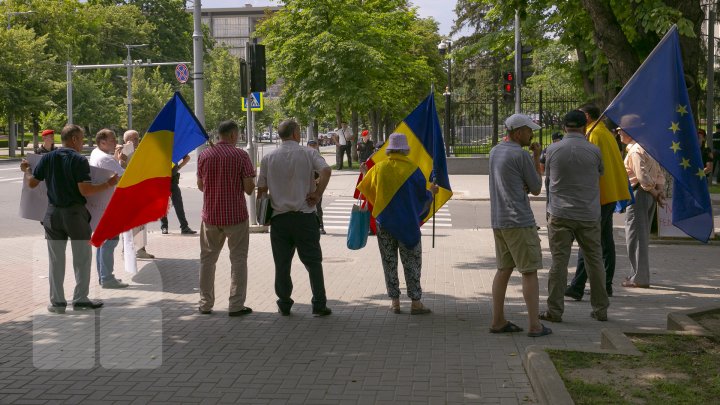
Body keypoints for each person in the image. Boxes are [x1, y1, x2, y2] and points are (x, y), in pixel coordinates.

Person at [20, 124, 118, 313]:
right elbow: (85, 190)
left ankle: (57, 302)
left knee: (56, 260)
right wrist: (108, 183)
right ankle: (80, 299)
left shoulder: (47, 158)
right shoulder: (78, 160)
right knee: (81, 257)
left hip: (52, 214)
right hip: (74, 214)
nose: (82, 143)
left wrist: (26, 170)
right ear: (73, 139)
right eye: (81, 139)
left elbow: (32, 183)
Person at [257, 119, 332, 316]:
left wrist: (263, 214)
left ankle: (284, 303)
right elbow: (326, 170)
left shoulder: (268, 158)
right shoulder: (308, 153)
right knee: (313, 262)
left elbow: (262, 190)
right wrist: (317, 194)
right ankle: (319, 303)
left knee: (282, 264)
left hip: (279, 219)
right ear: (296, 134)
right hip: (305, 216)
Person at [357, 133, 438, 315]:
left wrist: (364, 173)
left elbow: (368, 188)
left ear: (390, 150)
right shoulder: (413, 169)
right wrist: (432, 192)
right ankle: (416, 303)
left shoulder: (380, 168)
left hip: (384, 223)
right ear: (405, 150)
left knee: (389, 261)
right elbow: (422, 198)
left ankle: (395, 302)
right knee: (412, 262)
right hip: (408, 224)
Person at [542, 110, 610, 323]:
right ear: (584, 127)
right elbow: (600, 173)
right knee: (595, 261)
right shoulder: (594, 151)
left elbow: (548, 180)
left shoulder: (553, 149)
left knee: (559, 262)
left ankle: (554, 310)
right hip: (588, 214)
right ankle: (601, 309)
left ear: (564, 127)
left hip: (560, 213)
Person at [488, 114, 551, 337]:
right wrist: (536, 157)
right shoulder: (521, 155)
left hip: (499, 219)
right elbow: (535, 187)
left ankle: (497, 320)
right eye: (528, 131)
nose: (532, 134)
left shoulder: (495, 151)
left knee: (503, 269)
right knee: (529, 270)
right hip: (520, 221)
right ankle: (535, 325)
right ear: (517, 133)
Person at [564, 104, 630, 300]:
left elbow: (591, 168)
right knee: (605, 241)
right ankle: (606, 284)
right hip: (610, 193)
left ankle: (577, 286)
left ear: (586, 116)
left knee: (588, 241)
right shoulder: (605, 133)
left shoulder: (594, 134)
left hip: (599, 196)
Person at [196, 120, 256, 316]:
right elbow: (248, 189)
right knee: (238, 259)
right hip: (236, 216)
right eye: (237, 135)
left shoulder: (204, 155)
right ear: (232, 135)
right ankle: (236, 305)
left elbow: (200, 186)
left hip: (211, 216)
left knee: (207, 260)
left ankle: (205, 304)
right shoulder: (240, 155)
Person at [619, 125, 665, 288]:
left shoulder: (635, 150)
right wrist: (659, 192)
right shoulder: (647, 147)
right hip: (648, 194)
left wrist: (655, 193)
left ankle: (639, 277)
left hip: (640, 193)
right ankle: (637, 274)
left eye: (621, 130)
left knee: (635, 236)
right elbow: (659, 174)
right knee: (640, 236)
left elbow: (642, 176)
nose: (619, 133)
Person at [89, 128, 128, 289]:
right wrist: (122, 160)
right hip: (108, 205)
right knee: (110, 241)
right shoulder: (106, 159)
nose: (115, 142)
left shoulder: (96, 153)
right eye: (112, 139)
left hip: (100, 204)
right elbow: (125, 176)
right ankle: (106, 277)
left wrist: (116, 159)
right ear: (102, 142)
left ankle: (104, 276)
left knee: (103, 241)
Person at [123, 129, 154, 259]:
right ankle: (128, 251)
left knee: (140, 224)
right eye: (134, 139)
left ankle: (140, 249)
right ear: (127, 140)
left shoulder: (139, 152)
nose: (137, 141)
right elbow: (121, 169)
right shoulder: (123, 152)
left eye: (137, 138)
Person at [160, 154, 197, 235]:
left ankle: (184, 227)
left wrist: (178, 167)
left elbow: (187, 158)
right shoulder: (160, 148)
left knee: (178, 204)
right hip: (162, 181)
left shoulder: (175, 148)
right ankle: (164, 227)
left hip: (172, 181)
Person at [307, 139, 326, 234]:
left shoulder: (319, 158)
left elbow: (324, 173)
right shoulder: (304, 158)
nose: (313, 147)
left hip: (317, 187)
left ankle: (320, 226)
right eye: (311, 145)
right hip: (306, 188)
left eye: (314, 145)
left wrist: (316, 181)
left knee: (318, 207)